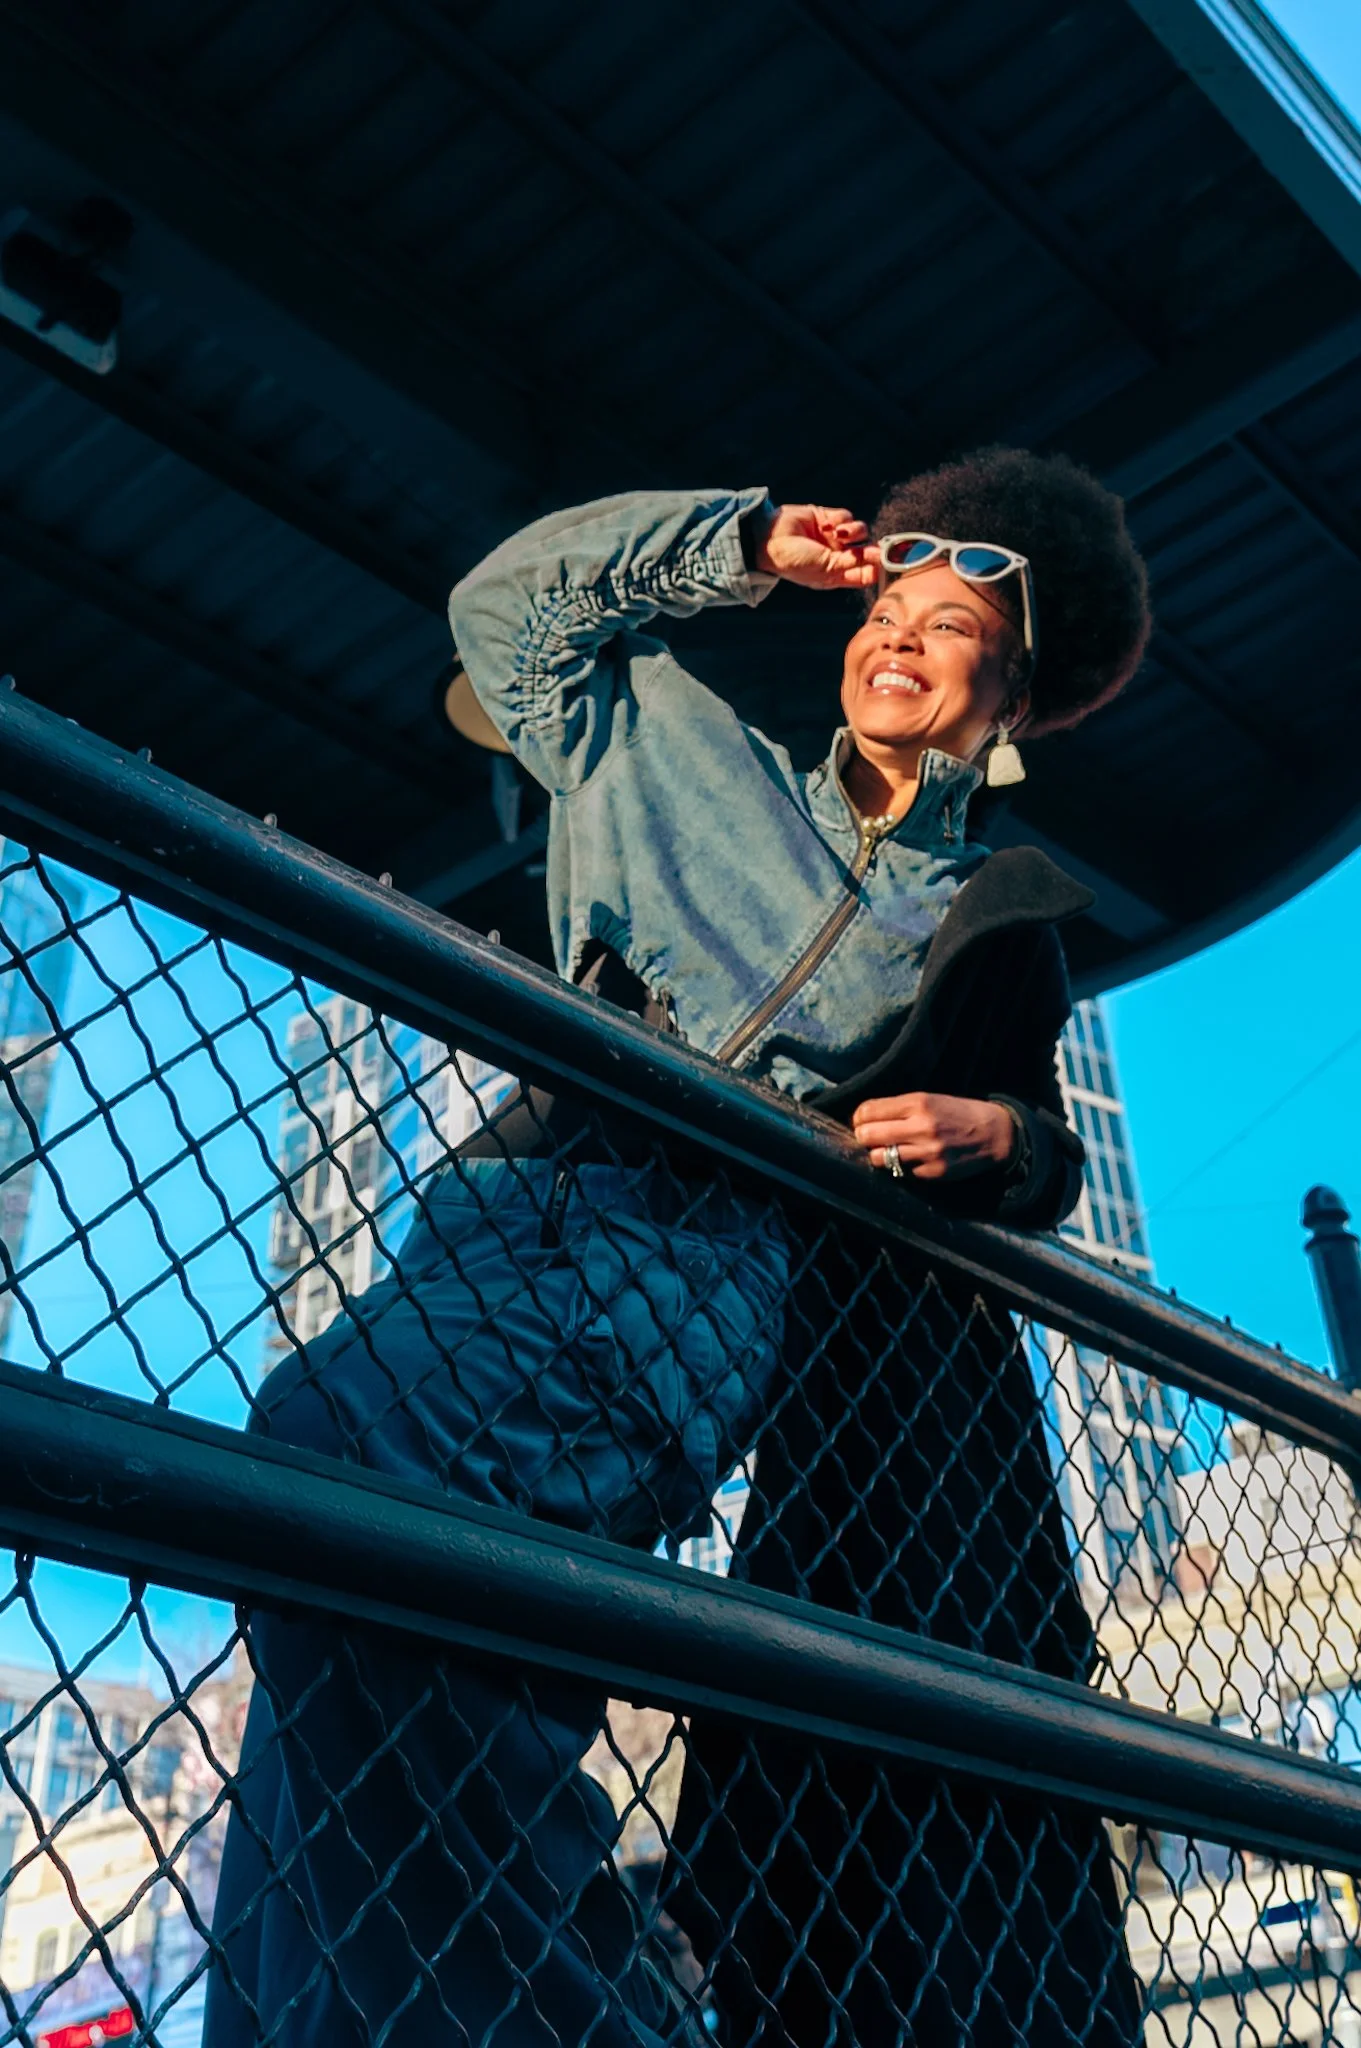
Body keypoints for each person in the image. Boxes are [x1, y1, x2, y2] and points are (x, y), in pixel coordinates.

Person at [204, 452, 1150, 2048]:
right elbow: (507, 613)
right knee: (353, 1599)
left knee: (338, 1486)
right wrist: (737, 544)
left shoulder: (988, 916)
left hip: (690, 1272)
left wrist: (1002, 1140)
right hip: (505, 1217)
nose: (899, 636)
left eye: (951, 621)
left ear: (1013, 703)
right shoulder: (678, 747)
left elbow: (1041, 1145)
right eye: (888, 607)